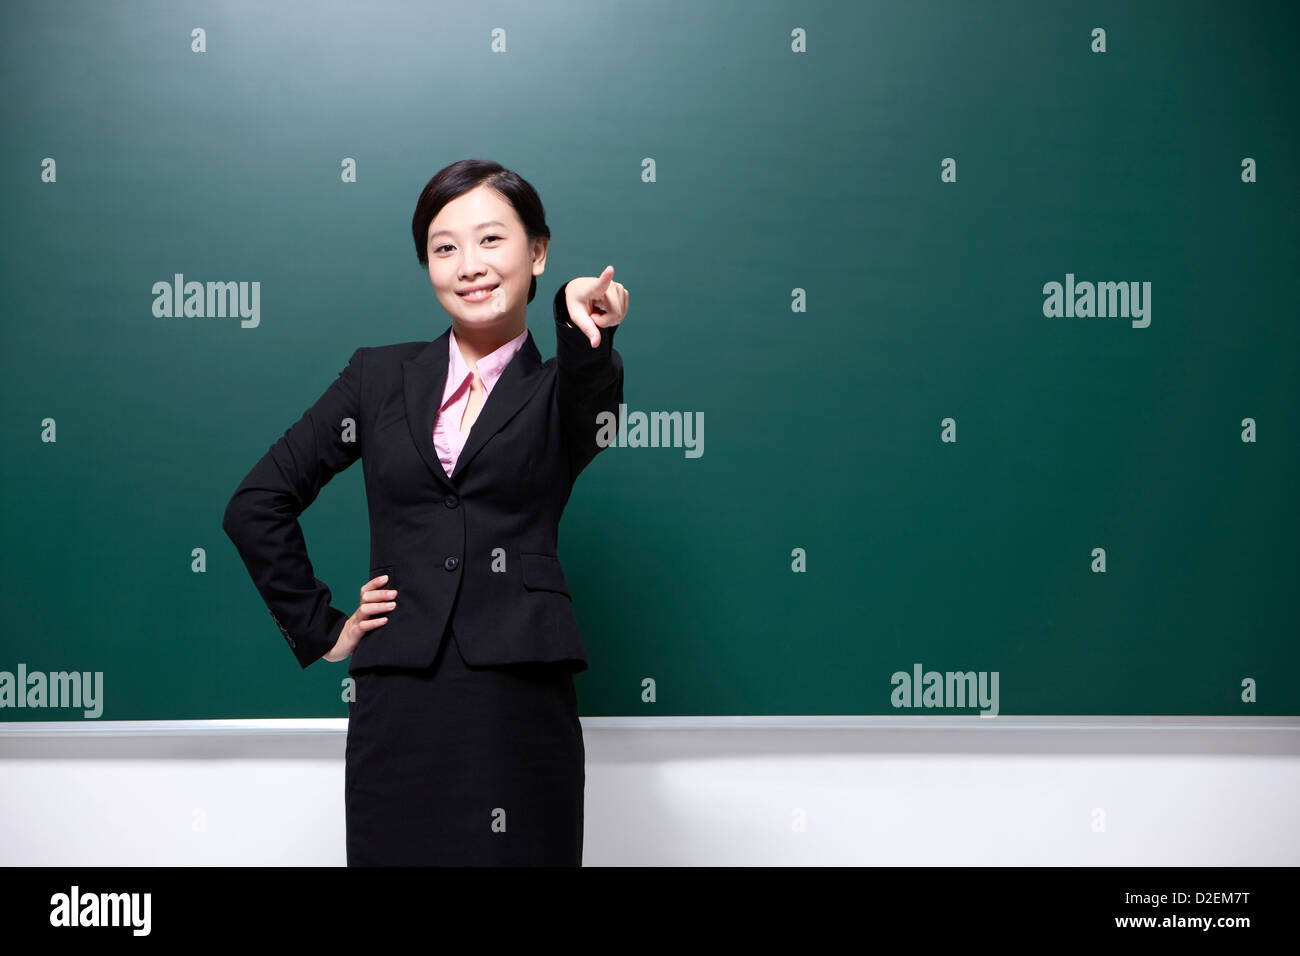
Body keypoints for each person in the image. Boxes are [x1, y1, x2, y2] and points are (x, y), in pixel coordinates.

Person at [221, 158, 627, 865]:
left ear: (537, 252)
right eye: (445, 248)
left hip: (518, 699)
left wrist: (578, 317)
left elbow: (591, 395)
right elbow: (256, 503)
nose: (469, 265)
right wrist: (322, 628)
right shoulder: (376, 378)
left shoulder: (562, 390)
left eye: (492, 241)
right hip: (398, 704)